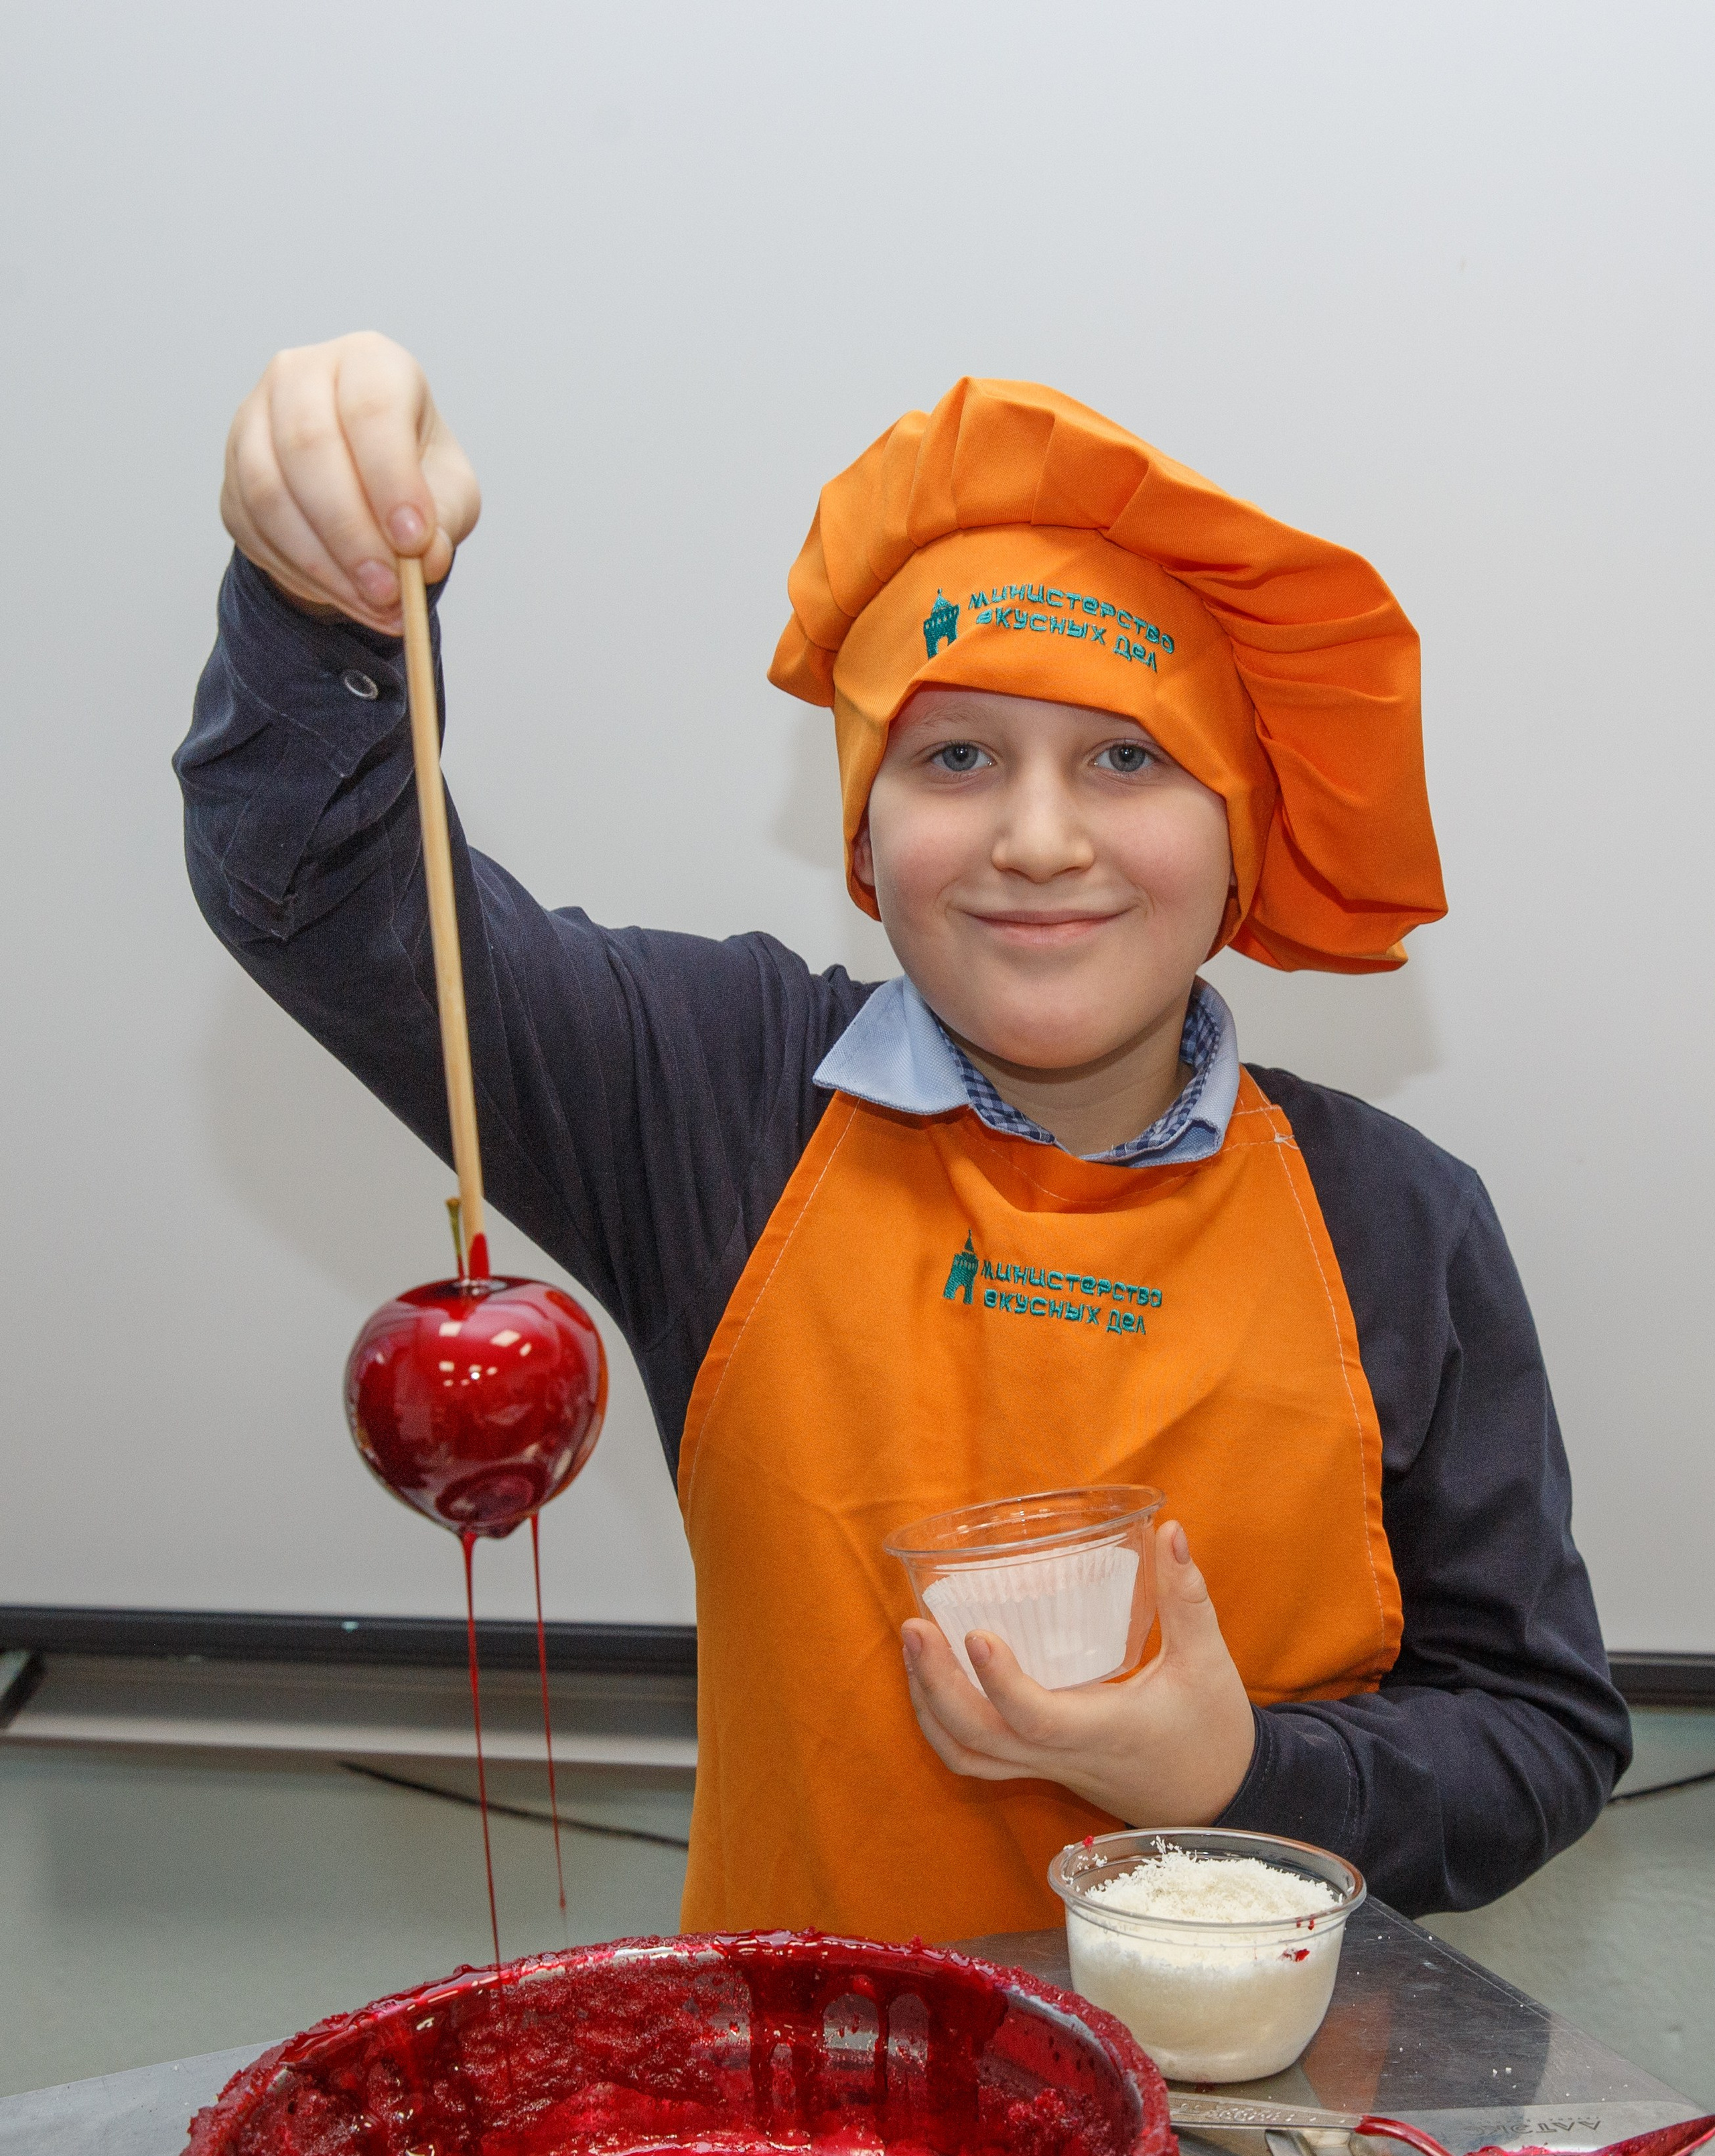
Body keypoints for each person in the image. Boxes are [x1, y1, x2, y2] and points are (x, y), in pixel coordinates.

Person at [177, 334, 1631, 1941]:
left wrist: (1235, 1769)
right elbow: (331, 907)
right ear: (864, 837)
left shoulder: (1395, 1219)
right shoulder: (712, 1102)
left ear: (1243, 836)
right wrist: (327, 605)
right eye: (953, 758)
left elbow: (1534, 1732)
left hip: (1249, 2144)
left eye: (1126, 757)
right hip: (808, 2121)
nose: (1034, 836)